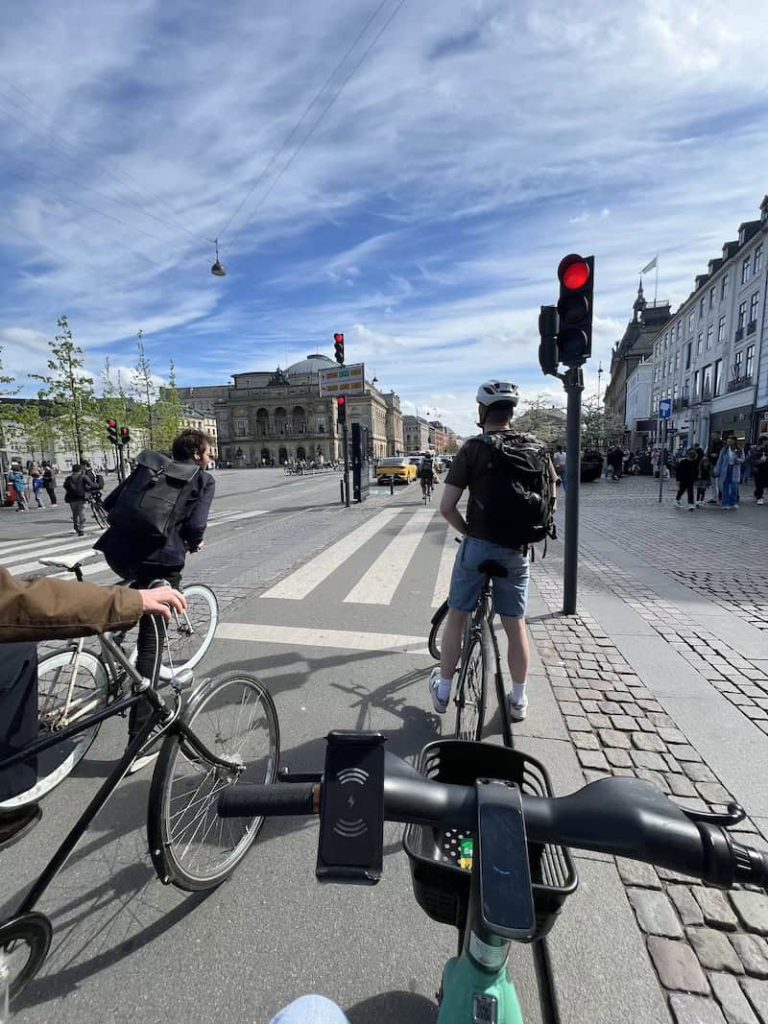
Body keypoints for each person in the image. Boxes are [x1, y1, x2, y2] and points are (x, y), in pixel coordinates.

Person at [0, 569, 186, 846]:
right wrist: (130, 602)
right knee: (16, 649)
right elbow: (17, 600)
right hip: (158, 566)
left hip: (124, 556)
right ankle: (140, 738)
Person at [429, 381, 556, 723]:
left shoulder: (472, 448)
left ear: (482, 412)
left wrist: (471, 533)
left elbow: (447, 508)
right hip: (517, 549)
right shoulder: (537, 448)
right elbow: (553, 489)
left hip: (479, 545)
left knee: (457, 615)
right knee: (515, 626)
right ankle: (518, 699)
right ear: (511, 413)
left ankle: (442, 691)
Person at [95, 428, 215, 772]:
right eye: (208, 452)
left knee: (132, 599)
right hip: (159, 561)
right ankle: (139, 740)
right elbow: (197, 526)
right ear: (196, 455)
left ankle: (114, 638)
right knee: (153, 644)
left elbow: (112, 501)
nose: (211, 458)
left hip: (116, 551)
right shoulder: (203, 479)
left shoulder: (152, 465)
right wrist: (194, 542)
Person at [63, 463, 96, 536]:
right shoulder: (83, 477)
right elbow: (92, 484)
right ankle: (81, 529)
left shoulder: (68, 478)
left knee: (75, 513)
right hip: (81, 497)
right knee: (81, 513)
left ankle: (76, 526)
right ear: (80, 470)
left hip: (71, 498)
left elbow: (65, 486)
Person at [714, 436, 743, 510]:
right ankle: (725, 503)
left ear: (734, 441)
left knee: (734, 488)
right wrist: (717, 470)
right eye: (728, 441)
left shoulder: (739, 449)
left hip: (734, 469)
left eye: (731, 441)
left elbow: (743, 459)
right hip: (725, 469)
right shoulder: (724, 450)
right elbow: (720, 461)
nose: (729, 443)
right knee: (725, 488)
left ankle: (733, 502)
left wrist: (737, 460)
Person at [750, 435, 768, 504]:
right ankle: (759, 497)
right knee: (759, 484)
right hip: (758, 469)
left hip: (766, 468)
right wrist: (758, 461)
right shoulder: (755, 449)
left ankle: (758, 495)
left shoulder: (766, 448)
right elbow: (752, 459)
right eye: (766, 441)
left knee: (764, 483)